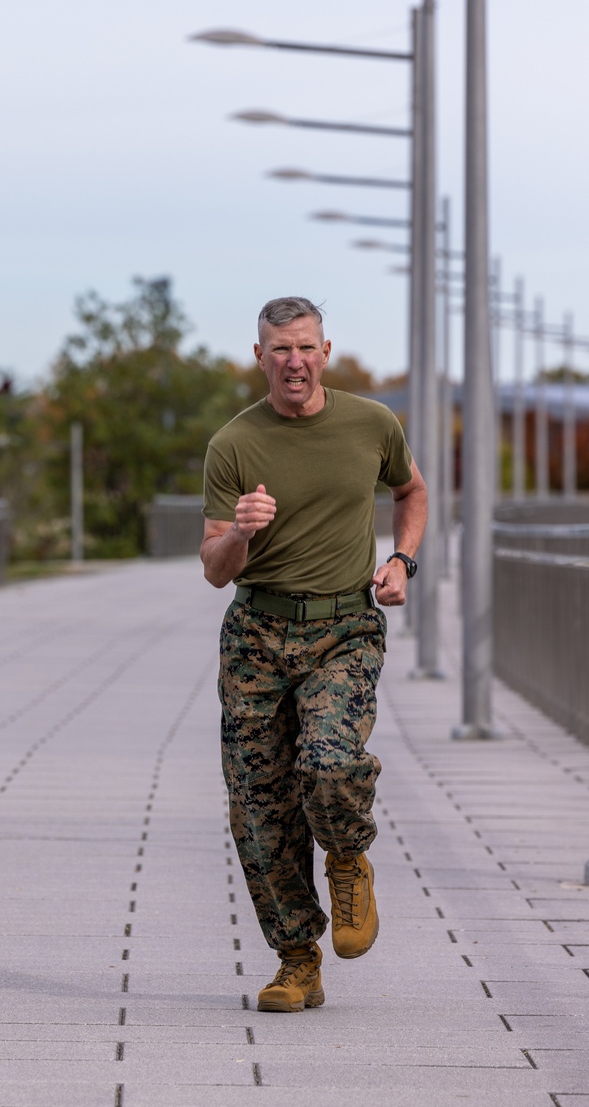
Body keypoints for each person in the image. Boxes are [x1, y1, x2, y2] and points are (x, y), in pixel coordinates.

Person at [200, 296, 427, 1013]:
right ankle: (297, 958)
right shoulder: (233, 444)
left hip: (343, 628)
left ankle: (348, 855)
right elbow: (213, 567)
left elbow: (411, 491)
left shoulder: (371, 423)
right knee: (258, 806)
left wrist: (402, 561)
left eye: (304, 347)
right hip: (257, 634)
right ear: (259, 356)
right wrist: (240, 531)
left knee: (329, 762)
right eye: (278, 349)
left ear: (325, 350)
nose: (292, 361)